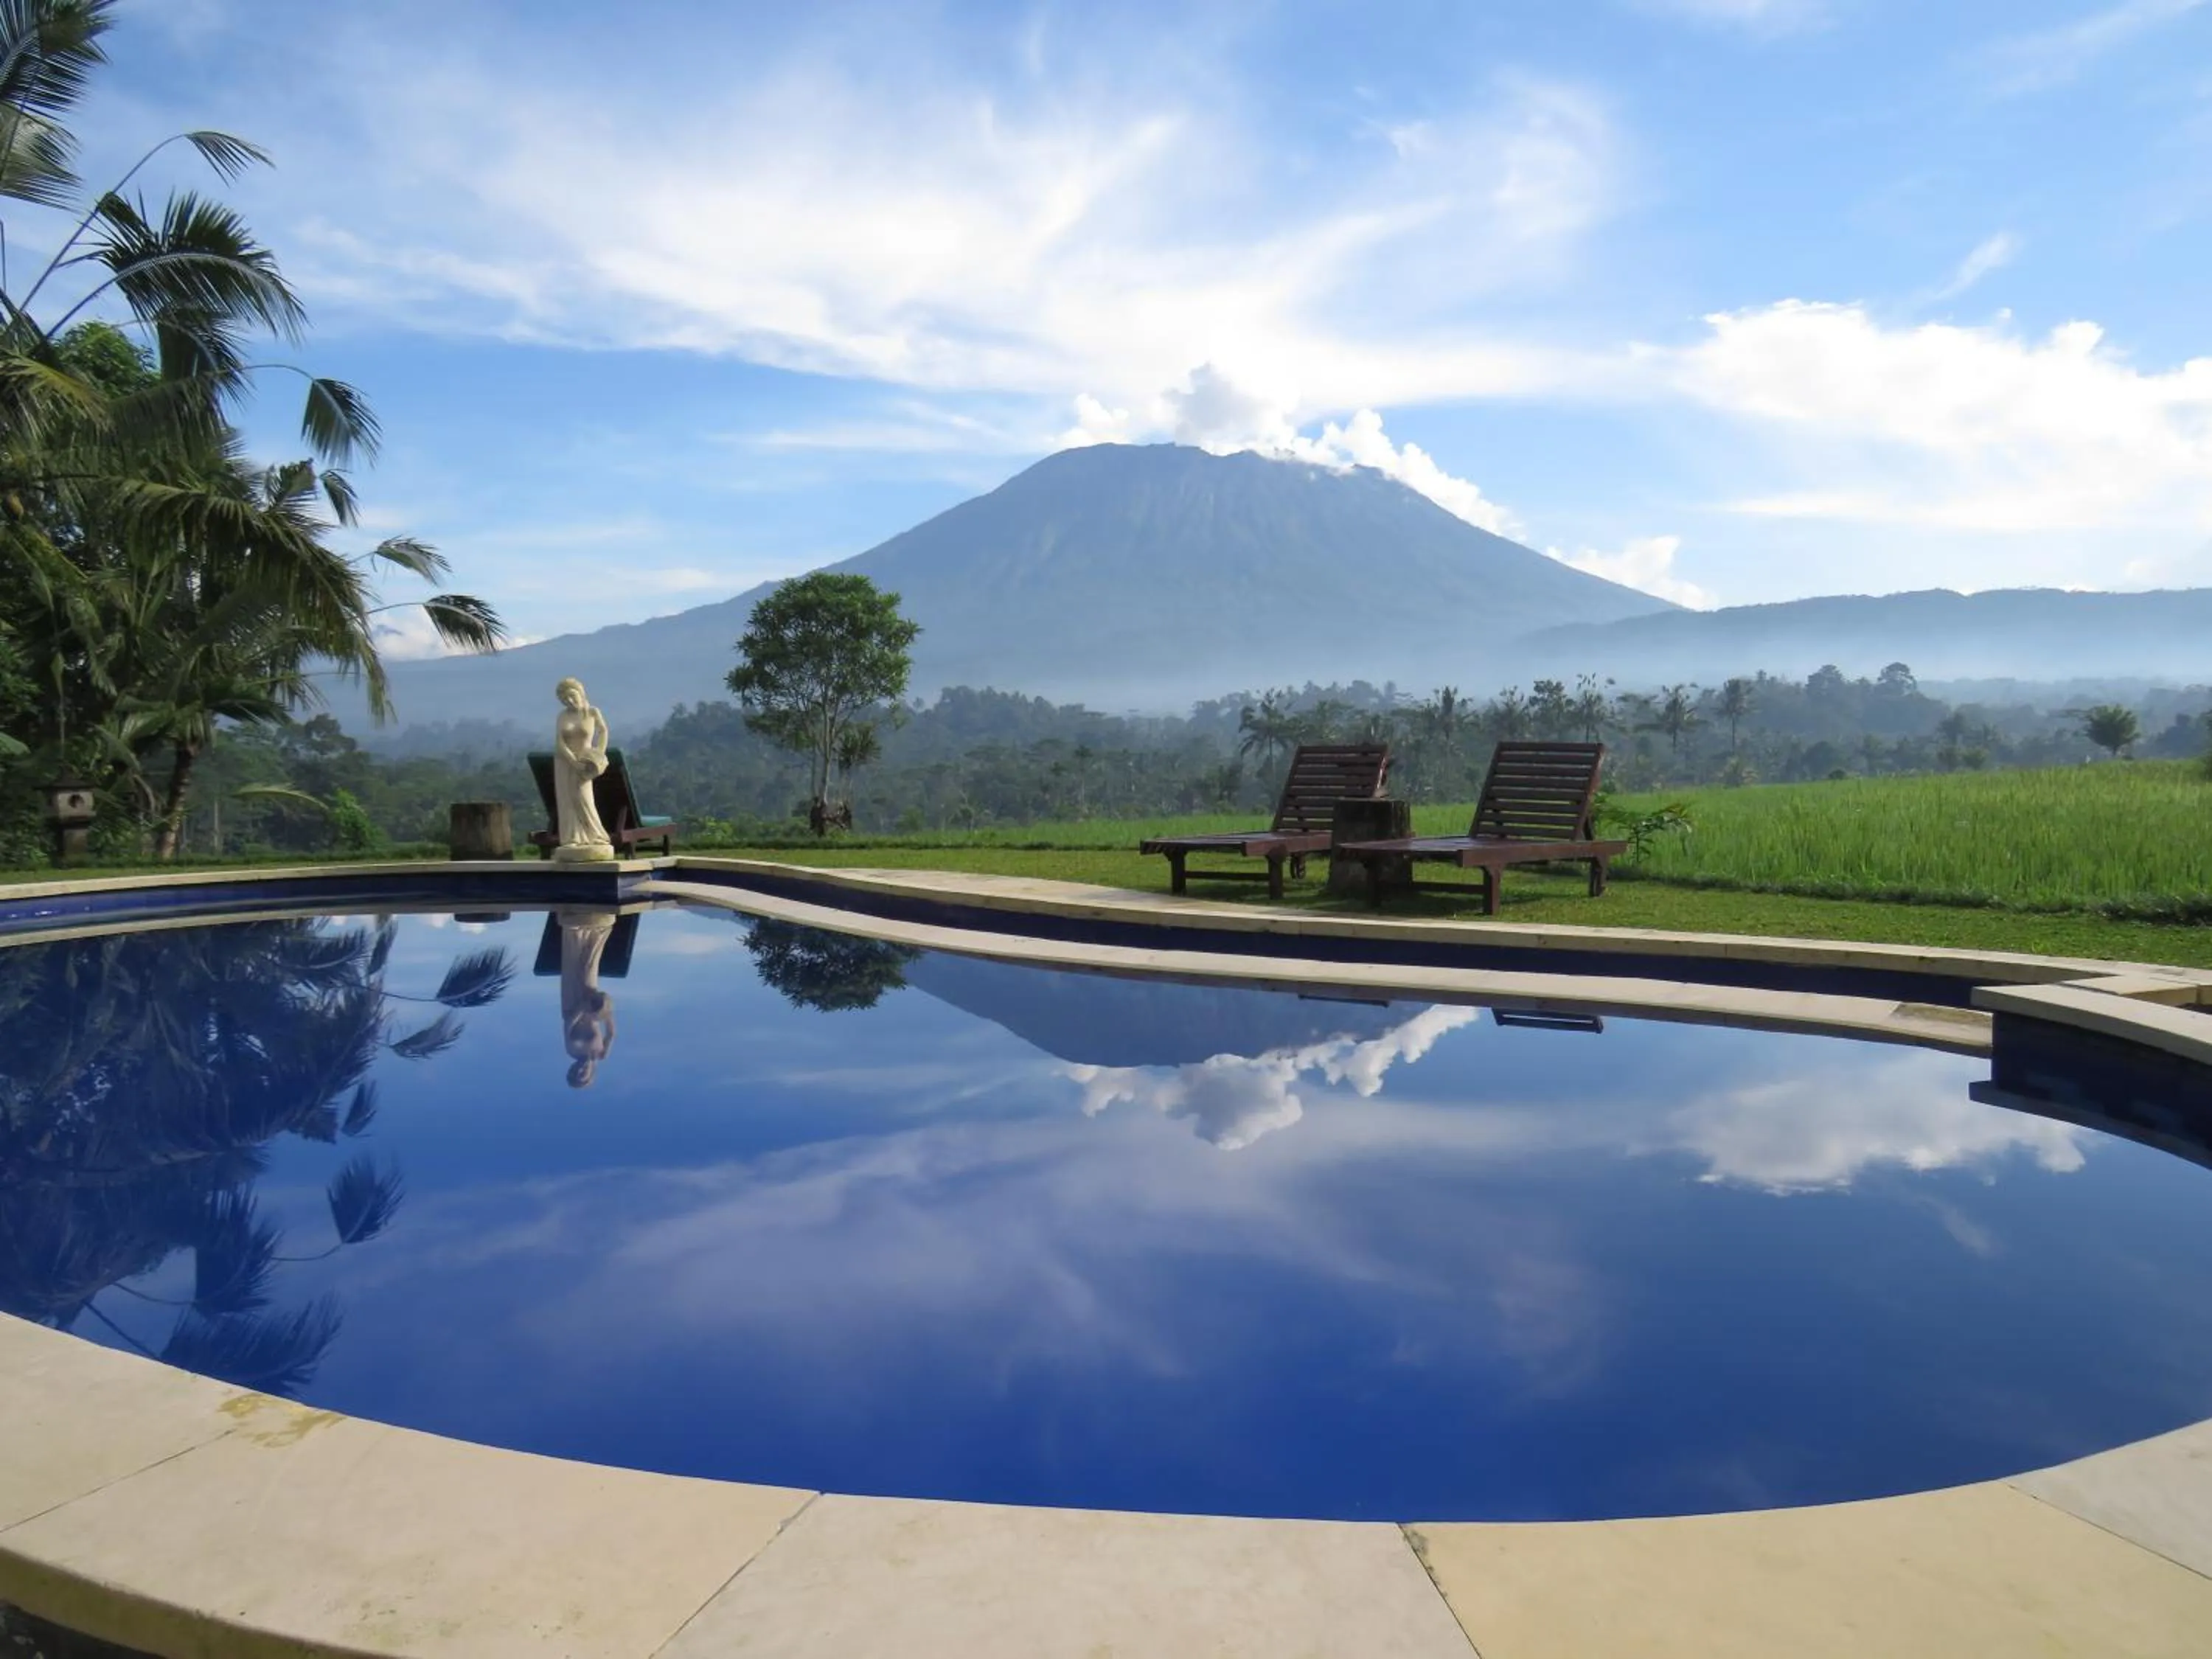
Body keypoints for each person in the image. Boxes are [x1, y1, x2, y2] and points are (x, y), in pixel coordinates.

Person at [551, 677, 613, 861]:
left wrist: (598, 754)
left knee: (583, 798)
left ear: (580, 693)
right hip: (565, 762)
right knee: (567, 799)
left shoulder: (592, 712)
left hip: (586, 762)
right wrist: (573, 762)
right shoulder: (562, 716)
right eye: (565, 699)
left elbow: (603, 731)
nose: (570, 701)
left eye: (572, 696)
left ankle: (596, 835)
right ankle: (572, 838)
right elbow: (560, 742)